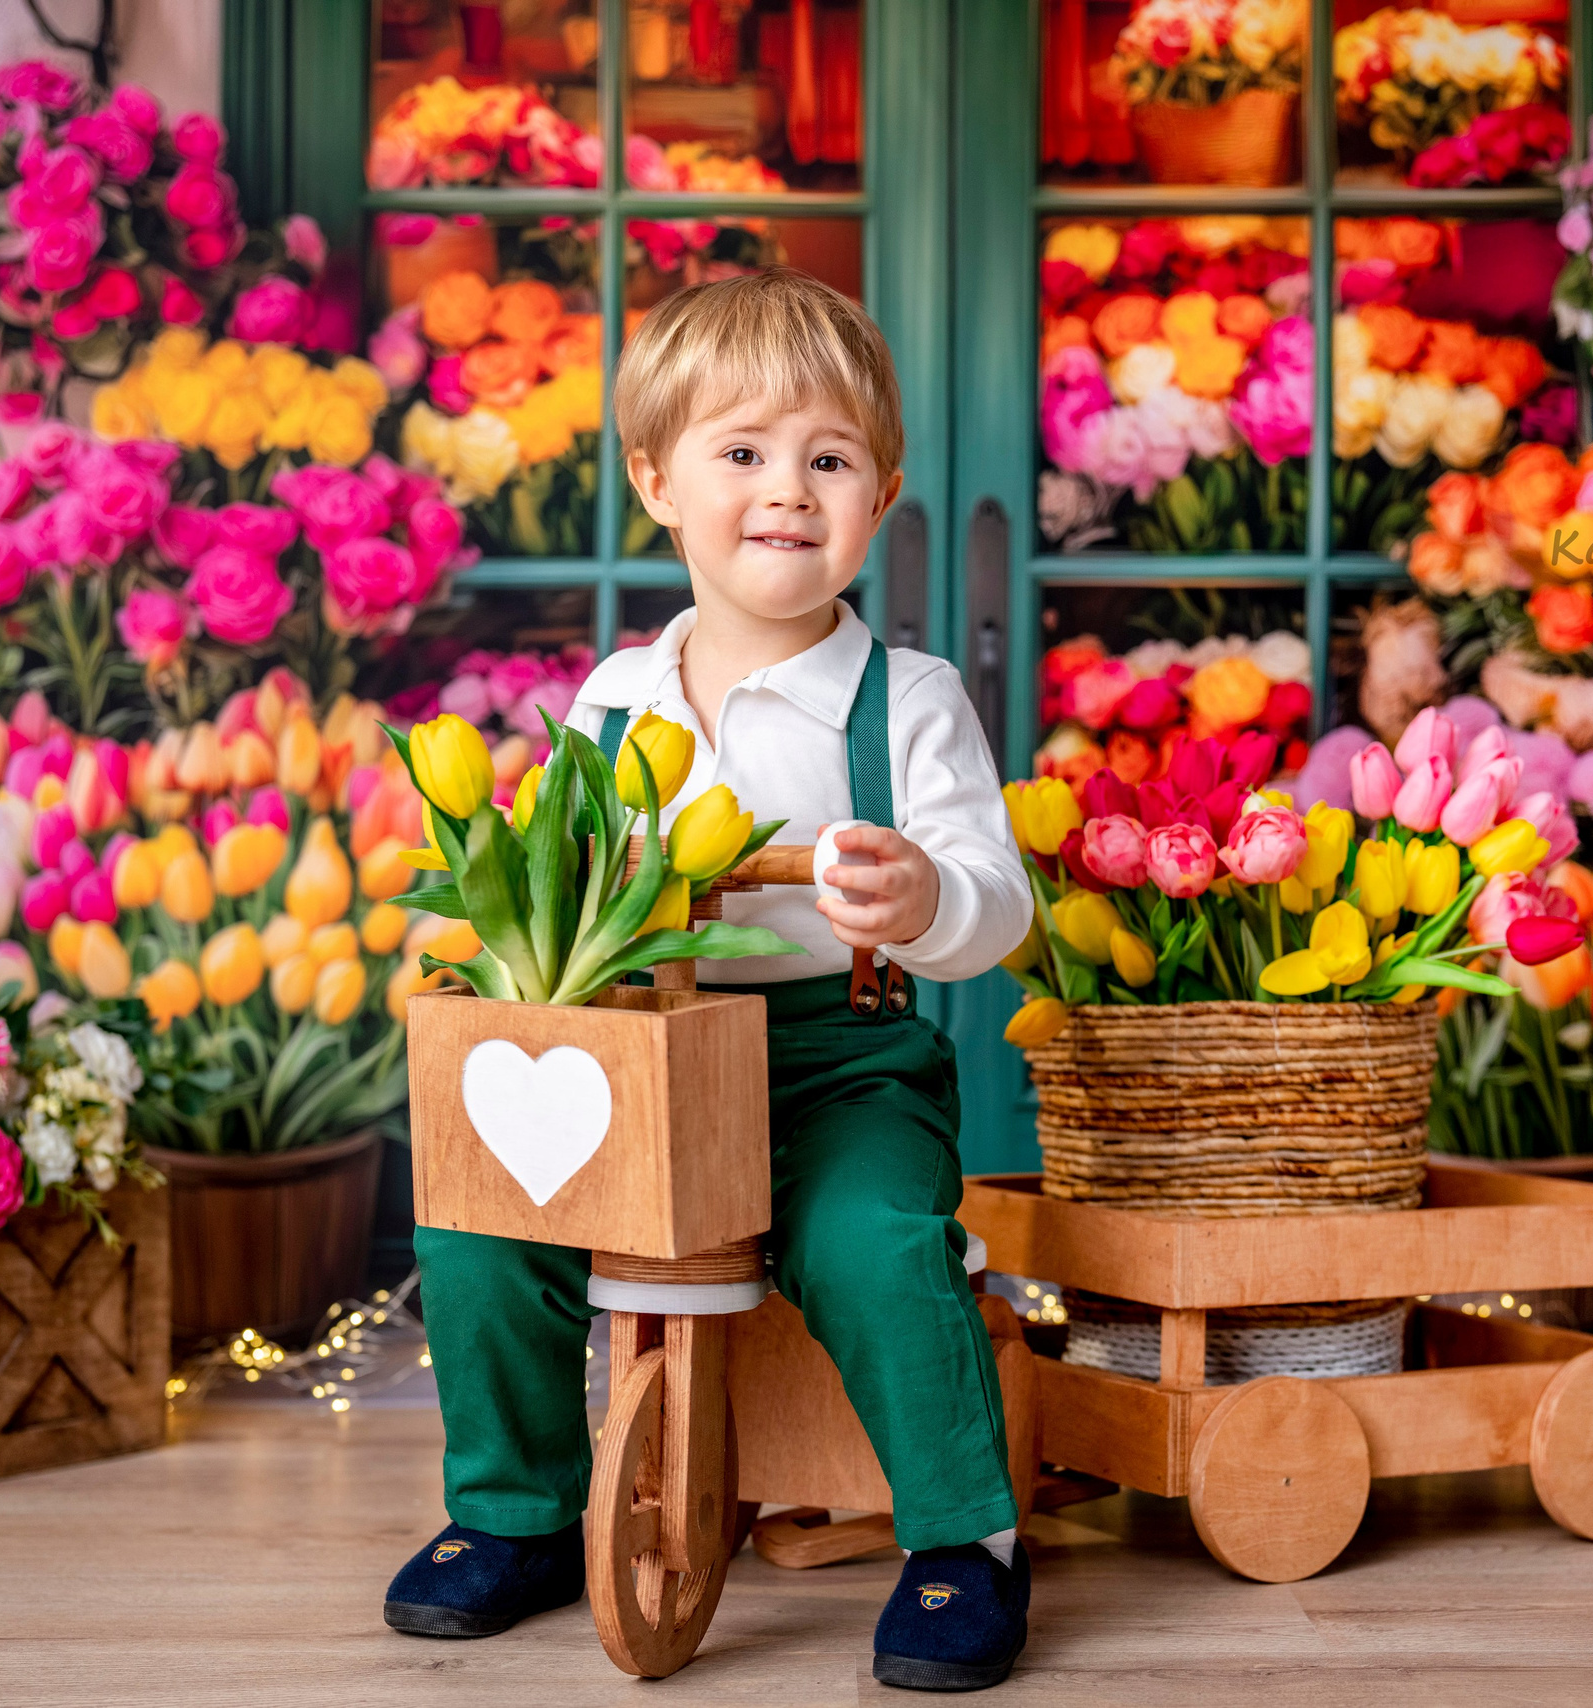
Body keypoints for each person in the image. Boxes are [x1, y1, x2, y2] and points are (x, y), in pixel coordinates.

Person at [382, 269, 1037, 1692]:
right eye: (741, 453)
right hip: (646, 1059)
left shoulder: (908, 700)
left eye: (828, 458)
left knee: (875, 1242)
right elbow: (568, 877)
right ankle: (519, 1511)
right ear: (657, 481)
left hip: (838, 1063)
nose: (785, 490)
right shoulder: (619, 698)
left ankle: (961, 1539)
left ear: (883, 491)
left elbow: (1001, 906)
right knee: (481, 1232)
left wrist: (927, 897)